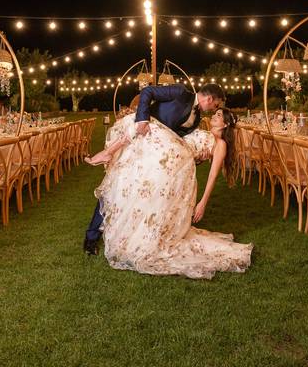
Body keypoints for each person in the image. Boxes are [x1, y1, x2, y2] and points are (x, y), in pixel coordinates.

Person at [85, 107, 252, 279]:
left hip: (178, 171)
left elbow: (213, 175)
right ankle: (112, 151)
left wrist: (203, 202)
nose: (215, 116)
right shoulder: (203, 131)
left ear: (225, 124)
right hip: (171, 162)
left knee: (146, 124)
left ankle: (109, 152)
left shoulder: (221, 144)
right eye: (215, 113)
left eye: (219, 116)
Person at [83, 82, 224, 255]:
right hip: (141, 143)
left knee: (138, 194)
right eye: (215, 105)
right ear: (209, 98)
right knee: (116, 186)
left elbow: (178, 138)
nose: (213, 109)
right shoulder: (181, 92)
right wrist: (142, 118)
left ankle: (132, 235)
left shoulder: (196, 119)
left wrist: (193, 157)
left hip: (155, 159)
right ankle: (91, 238)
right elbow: (148, 91)